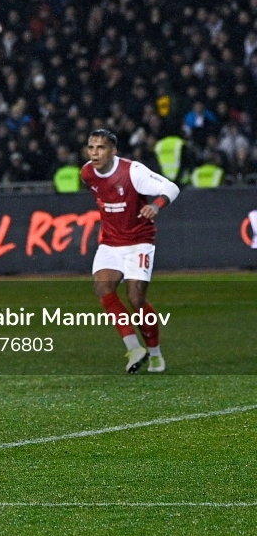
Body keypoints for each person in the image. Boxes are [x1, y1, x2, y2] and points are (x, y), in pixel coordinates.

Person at [81, 129, 179, 373]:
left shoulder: (133, 172)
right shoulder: (87, 173)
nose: (95, 153)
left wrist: (156, 205)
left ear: (113, 151)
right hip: (110, 243)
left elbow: (171, 187)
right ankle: (134, 347)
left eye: (101, 148)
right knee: (103, 287)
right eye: (91, 147)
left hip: (139, 242)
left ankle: (155, 353)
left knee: (136, 298)